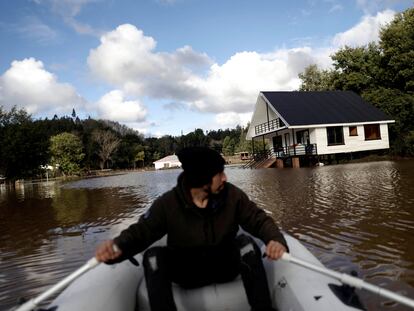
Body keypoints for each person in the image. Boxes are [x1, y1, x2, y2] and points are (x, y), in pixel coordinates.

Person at [95, 146, 288, 311]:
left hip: (224, 265)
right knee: (153, 256)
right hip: (186, 271)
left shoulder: (233, 196)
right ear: (201, 179)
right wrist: (117, 247)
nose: (225, 178)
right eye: (219, 174)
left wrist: (275, 240)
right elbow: (141, 232)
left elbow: (258, 220)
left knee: (247, 245)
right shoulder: (167, 204)